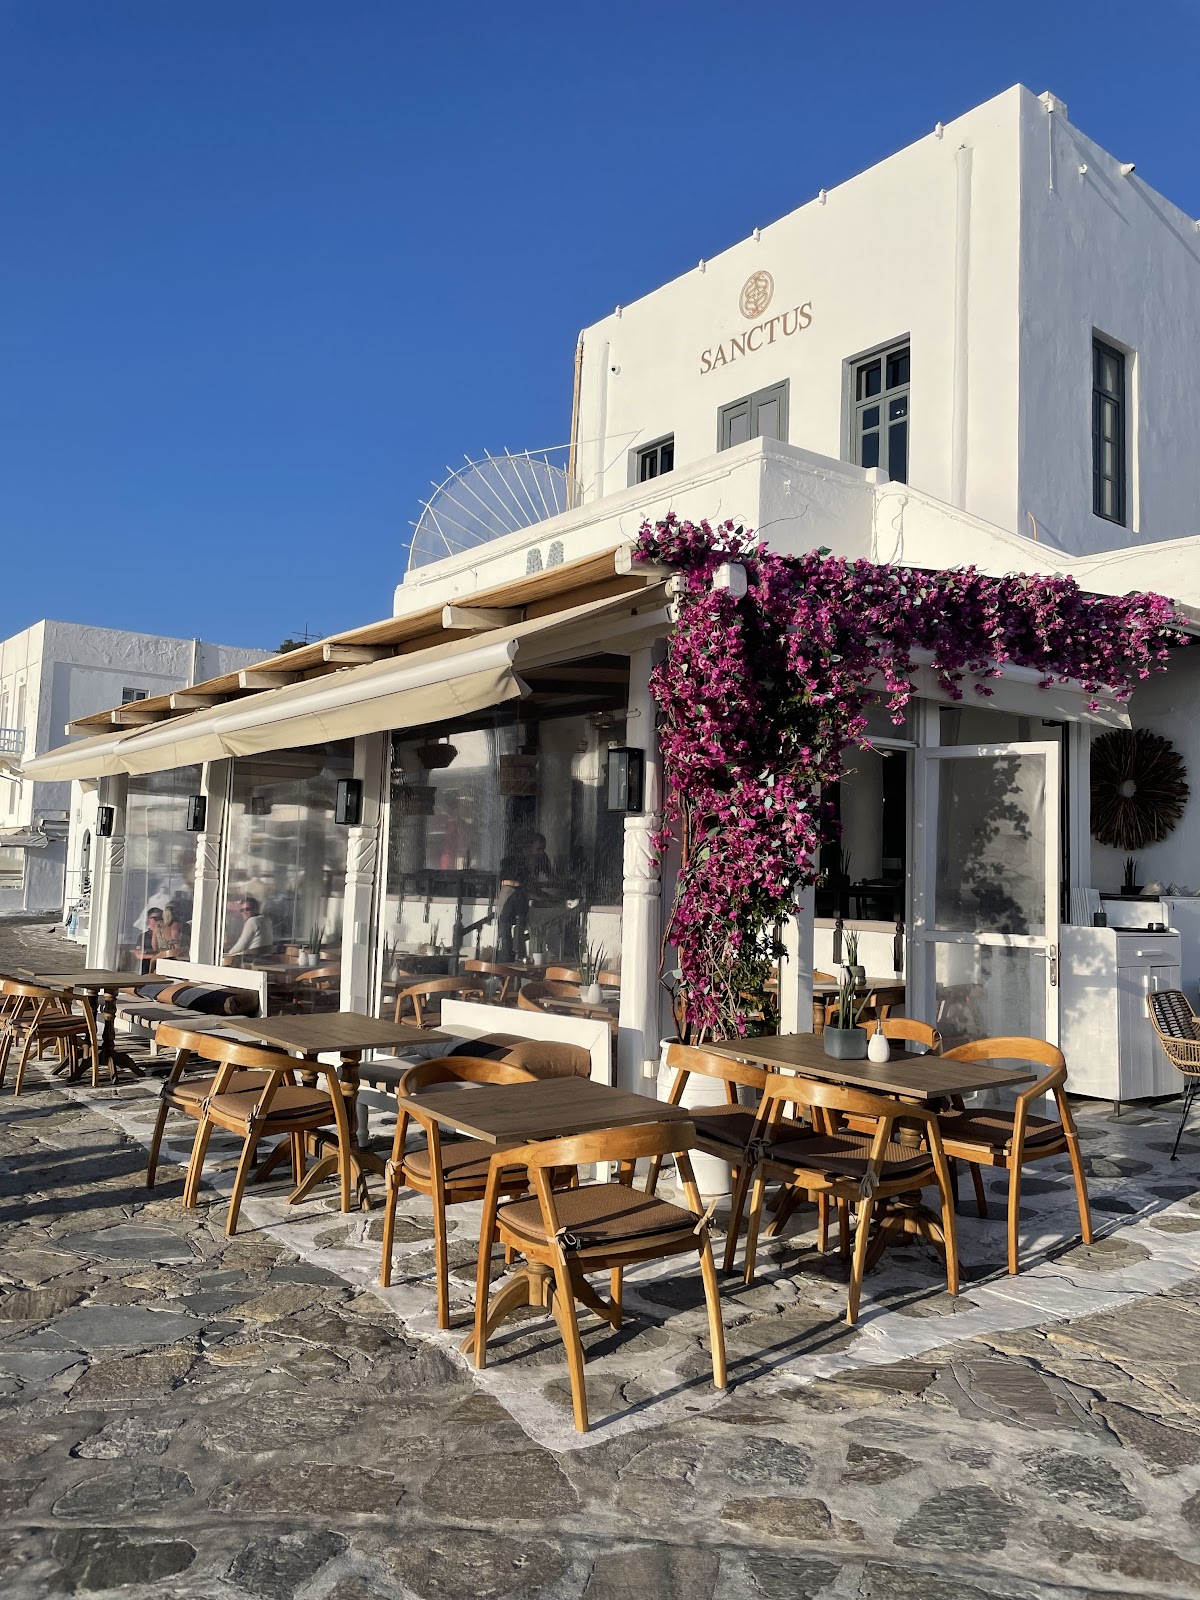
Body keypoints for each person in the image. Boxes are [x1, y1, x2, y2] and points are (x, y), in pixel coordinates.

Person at [496, 832, 551, 962]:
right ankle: (510, 955)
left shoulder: (539, 859)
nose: (541, 852)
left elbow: (544, 877)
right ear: (530, 846)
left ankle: (514, 955)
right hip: (513, 890)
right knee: (507, 923)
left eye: (542, 849)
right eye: (538, 848)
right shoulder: (520, 859)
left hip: (519, 891)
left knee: (514, 924)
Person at [224, 895, 275, 963]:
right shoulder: (265, 919)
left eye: (247, 909)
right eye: (242, 910)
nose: (244, 912)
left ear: (255, 909)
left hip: (252, 961)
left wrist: (227, 955)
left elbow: (241, 946)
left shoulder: (252, 921)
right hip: (264, 958)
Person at [139, 908, 164, 974]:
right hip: (147, 966)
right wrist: (153, 957)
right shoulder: (143, 936)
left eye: (160, 918)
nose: (158, 921)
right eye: (155, 918)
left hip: (161, 965)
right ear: (148, 921)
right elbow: (138, 954)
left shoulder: (165, 935)